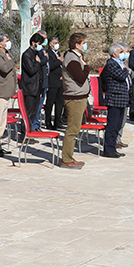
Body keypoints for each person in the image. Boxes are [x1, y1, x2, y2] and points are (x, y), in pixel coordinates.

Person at [59, 32, 89, 169]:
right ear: (77, 45)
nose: (85, 46)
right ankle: (66, 159)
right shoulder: (71, 58)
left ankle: (69, 155)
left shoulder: (76, 57)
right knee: (72, 129)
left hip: (80, 97)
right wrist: (86, 66)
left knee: (75, 128)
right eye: (83, 43)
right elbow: (81, 77)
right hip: (74, 98)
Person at [101, 43, 131, 158]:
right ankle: (108, 149)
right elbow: (121, 76)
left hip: (122, 98)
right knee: (112, 125)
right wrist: (126, 70)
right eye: (120, 52)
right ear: (114, 54)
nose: (123, 54)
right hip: (115, 98)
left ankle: (113, 147)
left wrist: (125, 68)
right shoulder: (112, 64)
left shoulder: (121, 63)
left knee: (118, 124)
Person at [20, 32, 46, 141]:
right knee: (28, 113)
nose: (40, 46)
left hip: (36, 88)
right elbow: (31, 70)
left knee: (33, 113)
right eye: (38, 43)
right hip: (30, 88)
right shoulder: (27, 54)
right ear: (33, 43)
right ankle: (24, 135)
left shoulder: (36, 53)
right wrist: (38, 63)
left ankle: (29, 133)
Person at [44, 36, 66, 129]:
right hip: (52, 82)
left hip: (60, 82)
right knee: (50, 103)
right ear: (50, 44)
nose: (57, 45)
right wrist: (58, 61)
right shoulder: (48, 53)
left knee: (59, 103)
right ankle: (48, 122)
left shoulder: (57, 53)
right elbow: (51, 66)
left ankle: (58, 121)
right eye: (55, 43)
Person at [34, 30, 50, 131]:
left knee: (40, 105)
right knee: (37, 106)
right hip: (39, 83)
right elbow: (39, 64)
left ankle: (36, 124)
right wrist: (45, 58)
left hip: (44, 81)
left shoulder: (44, 50)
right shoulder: (38, 51)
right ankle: (34, 125)